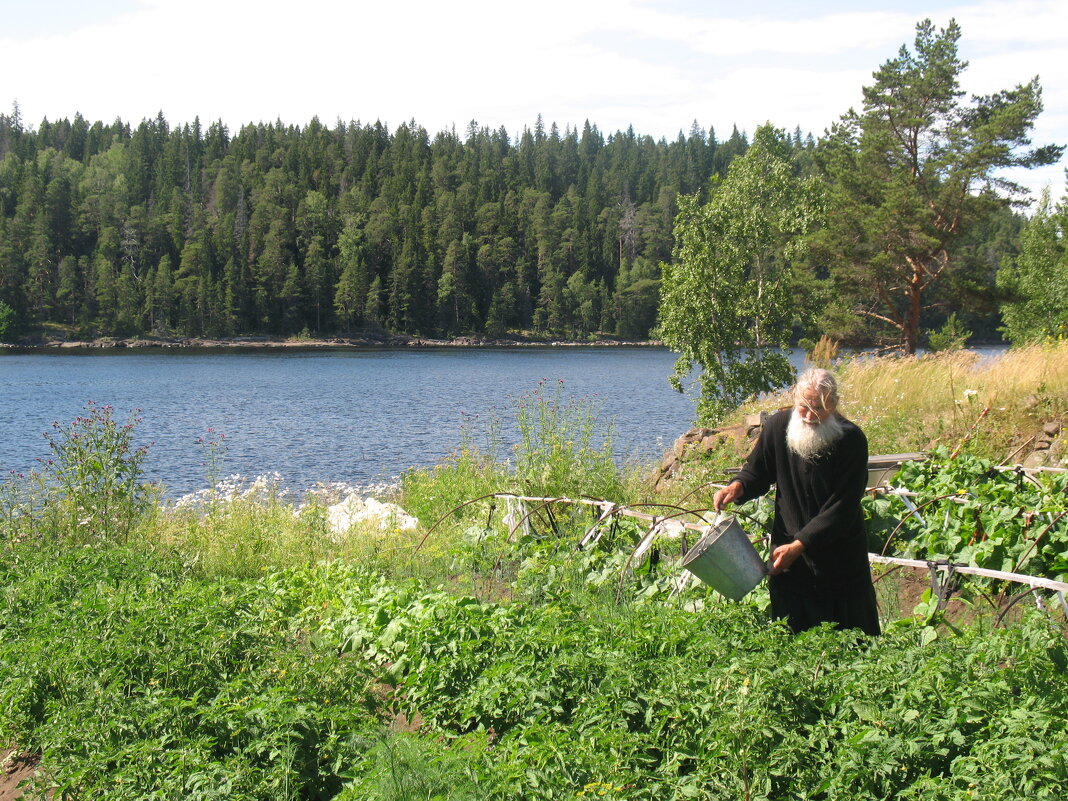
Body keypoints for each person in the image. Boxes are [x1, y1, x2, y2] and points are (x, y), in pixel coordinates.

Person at [712, 368, 880, 636]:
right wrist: (738, 486)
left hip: (839, 557)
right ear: (795, 399)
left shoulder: (851, 440)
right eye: (804, 407)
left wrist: (801, 543)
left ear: (834, 405)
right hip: (787, 552)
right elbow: (758, 470)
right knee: (791, 630)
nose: (810, 416)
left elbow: (843, 505)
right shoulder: (779, 426)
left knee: (848, 637)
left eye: (819, 408)